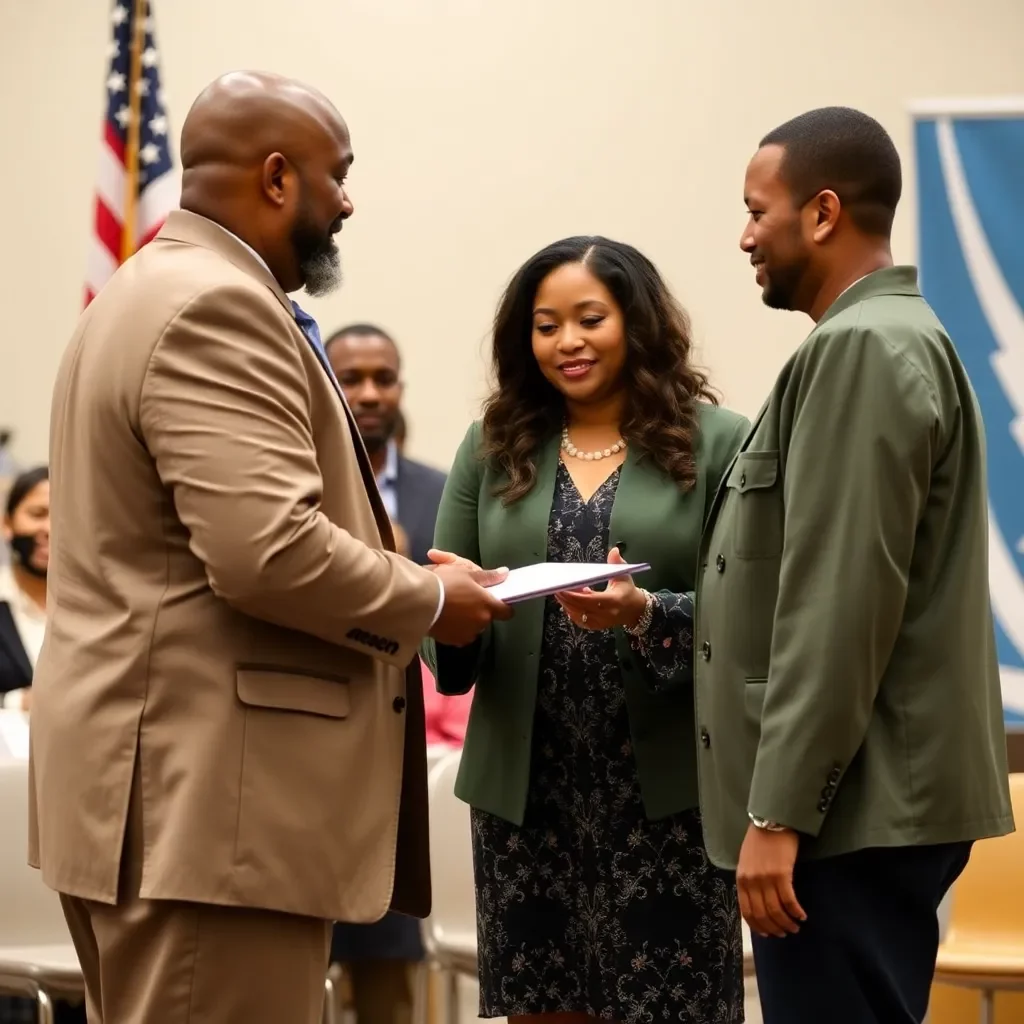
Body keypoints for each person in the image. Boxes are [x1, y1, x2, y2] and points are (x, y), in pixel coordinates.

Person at [27, 70, 510, 1024]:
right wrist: (429, 599)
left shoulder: (143, 289)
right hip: (210, 813)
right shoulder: (217, 305)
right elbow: (268, 552)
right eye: (341, 176)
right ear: (280, 177)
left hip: (161, 800)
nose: (349, 201)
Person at [694, 105, 1015, 1024]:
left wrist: (779, 814)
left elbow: (840, 602)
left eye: (759, 210)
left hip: (843, 818)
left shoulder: (863, 349)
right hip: (856, 803)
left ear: (824, 212)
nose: (745, 235)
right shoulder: (884, 340)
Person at [424, 236, 750, 1023]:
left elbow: (752, 616)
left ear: (635, 323)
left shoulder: (717, 443)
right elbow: (444, 623)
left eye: (589, 318)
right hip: (528, 796)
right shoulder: (491, 446)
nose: (566, 342)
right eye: (545, 325)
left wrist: (645, 613)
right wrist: (449, 599)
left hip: (669, 793)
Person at [327, 324, 447, 566]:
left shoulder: (444, 493)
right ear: (322, 386)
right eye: (350, 380)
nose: (370, 395)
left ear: (400, 389)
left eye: (385, 380)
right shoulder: (296, 487)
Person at [0, 466, 48, 710]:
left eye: (63, 517)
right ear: (7, 524)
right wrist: (17, 701)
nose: (49, 529)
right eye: (38, 514)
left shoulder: (102, 606)